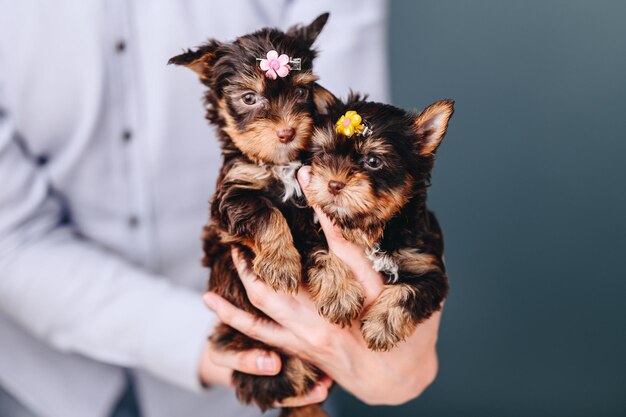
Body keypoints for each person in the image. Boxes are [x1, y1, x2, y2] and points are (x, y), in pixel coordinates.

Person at [0, 1, 442, 416]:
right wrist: (208, 339)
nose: (284, 126)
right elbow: (12, 238)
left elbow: (353, 148)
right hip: (43, 382)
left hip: (301, 354)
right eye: (251, 101)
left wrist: (386, 315)